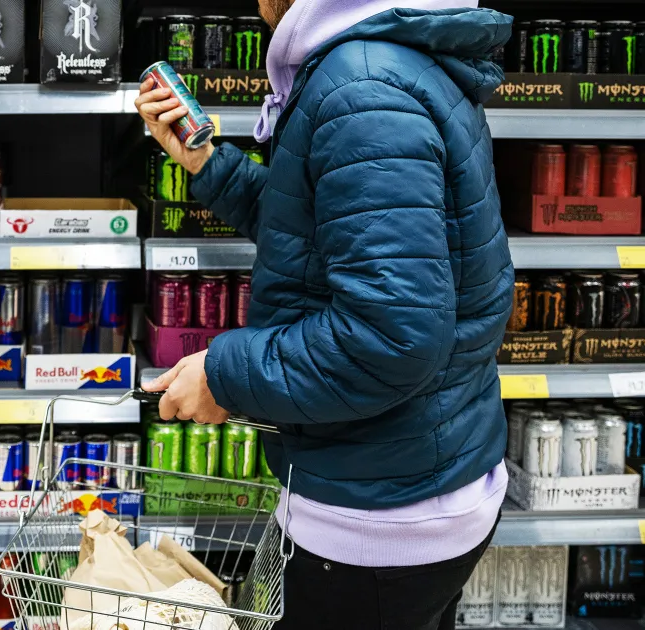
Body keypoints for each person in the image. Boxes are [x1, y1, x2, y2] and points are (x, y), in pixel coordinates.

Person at [136, 1, 514, 628]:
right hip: (409, 477)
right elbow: (320, 236)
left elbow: (391, 337)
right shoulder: (379, 64)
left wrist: (222, 374)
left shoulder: (360, 87)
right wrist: (207, 164)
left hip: (379, 519)